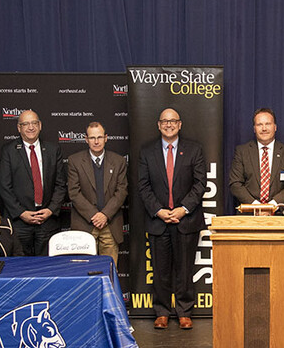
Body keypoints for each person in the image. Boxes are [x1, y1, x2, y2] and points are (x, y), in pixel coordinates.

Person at [137, 108, 207, 330]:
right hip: (159, 220)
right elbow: (143, 186)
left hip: (185, 220)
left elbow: (200, 184)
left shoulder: (194, 150)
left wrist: (183, 209)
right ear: (158, 125)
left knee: (185, 269)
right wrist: (158, 210)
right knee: (160, 270)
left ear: (180, 124)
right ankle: (162, 311)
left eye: (173, 121)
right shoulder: (147, 152)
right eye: (165, 121)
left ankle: (184, 311)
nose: (169, 125)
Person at [0, 110, 67, 256]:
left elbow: (60, 184)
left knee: (47, 268)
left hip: (47, 221)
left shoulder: (53, 150)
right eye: (25, 124)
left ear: (40, 125)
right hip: (20, 222)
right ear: (19, 128)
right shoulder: (8, 151)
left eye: (34, 123)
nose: (30, 127)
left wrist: (50, 210)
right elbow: (4, 187)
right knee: (22, 268)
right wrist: (21, 213)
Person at [67, 122, 128, 267]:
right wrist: (94, 215)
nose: (96, 141)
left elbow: (122, 190)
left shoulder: (118, 161)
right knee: (84, 272)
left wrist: (105, 215)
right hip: (85, 224)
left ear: (106, 138)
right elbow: (74, 192)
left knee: (109, 272)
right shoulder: (74, 161)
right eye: (92, 137)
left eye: (100, 137)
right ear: (86, 139)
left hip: (110, 224)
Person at [228, 108, 284, 209]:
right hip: (249, 214)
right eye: (259, 125)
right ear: (254, 129)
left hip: (279, 214)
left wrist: (272, 206)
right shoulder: (242, 152)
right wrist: (256, 206)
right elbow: (235, 184)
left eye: (268, 124)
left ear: (275, 127)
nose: (264, 128)